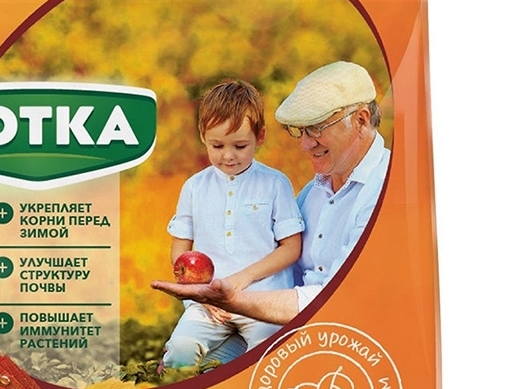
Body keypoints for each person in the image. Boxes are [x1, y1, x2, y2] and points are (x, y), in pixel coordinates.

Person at [153, 61, 389, 326]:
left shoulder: (386, 191)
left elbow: (340, 298)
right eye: (300, 131)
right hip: (286, 331)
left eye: (316, 128)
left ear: (360, 120)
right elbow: (283, 272)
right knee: (186, 350)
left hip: (350, 336)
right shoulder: (313, 193)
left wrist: (233, 299)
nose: (305, 144)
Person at [161, 79, 303, 367]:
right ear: (203, 136)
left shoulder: (275, 183)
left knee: (269, 356)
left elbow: (291, 248)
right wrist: (200, 295)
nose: (228, 155)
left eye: (240, 145)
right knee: (180, 351)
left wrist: (242, 280)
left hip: (263, 299)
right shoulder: (194, 187)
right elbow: (180, 248)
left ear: (260, 136)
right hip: (208, 303)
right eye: (217, 145)